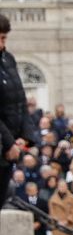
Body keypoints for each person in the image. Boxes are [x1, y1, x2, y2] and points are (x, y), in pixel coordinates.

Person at [0, 15, 27, 155]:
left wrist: (25, 137)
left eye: (3, 38)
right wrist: (9, 143)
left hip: (14, 146)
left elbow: (21, 100)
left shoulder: (8, 59)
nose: (1, 44)